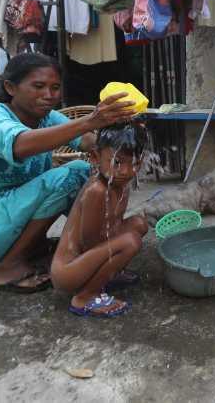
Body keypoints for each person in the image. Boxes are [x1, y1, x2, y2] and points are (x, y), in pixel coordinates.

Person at [0, 53, 136, 293]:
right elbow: (20, 145)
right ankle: (10, 266)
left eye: (55, 87)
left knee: (93, 173)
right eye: (38, 86)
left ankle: (79, 251)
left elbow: (91, 143)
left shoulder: (47, 118)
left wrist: (122, 131)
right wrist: (90, 120)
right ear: (10, 87)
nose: (49, 95)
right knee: (71, 175)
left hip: (1, 225)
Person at [51, 122, 149, 318]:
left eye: (135, 163)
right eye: (117, 162)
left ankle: (108, 277)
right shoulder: (97, 191)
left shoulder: (120, 184)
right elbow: (90, 243)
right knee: (130, 241)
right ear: (96, 157)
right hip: (69, 271)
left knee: (139, 223)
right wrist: (120, 248)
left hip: (89, 259)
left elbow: (112, 226)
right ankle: (86, 296)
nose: (127, 171)